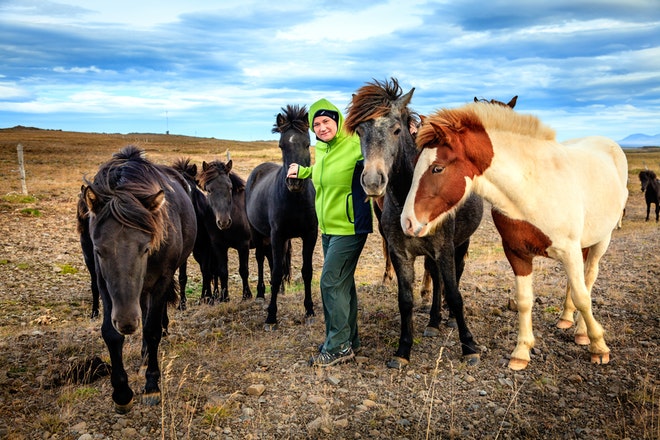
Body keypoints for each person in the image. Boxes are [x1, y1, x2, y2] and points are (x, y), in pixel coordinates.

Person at [287, 98, 373, 367]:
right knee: (342, 284)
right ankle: (349, 340)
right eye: (317, 124)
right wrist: (304, 171)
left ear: (337, 120)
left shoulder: (355, 144)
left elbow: (383, 156)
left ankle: (337, 347)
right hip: (329, 229)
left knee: (329, 282)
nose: (322, 127)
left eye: (326, 121)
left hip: (350, 227)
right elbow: (323, 172)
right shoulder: (323, 149)